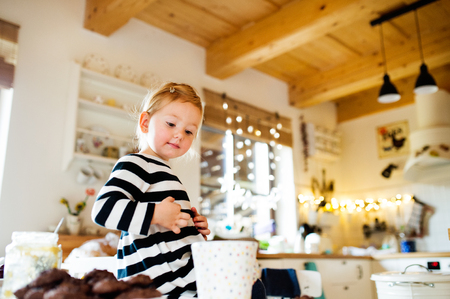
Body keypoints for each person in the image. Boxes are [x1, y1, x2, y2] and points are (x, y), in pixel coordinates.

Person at [91, 82, 210, 298]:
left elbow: (166, 228)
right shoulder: (137, 163)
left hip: (180, 277)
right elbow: (103, 210)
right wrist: (156, 214)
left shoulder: (164, 172)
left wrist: (192, 226)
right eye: (171, 123)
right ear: (145, 122)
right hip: (163, 283)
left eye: (189, 131)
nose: (179, 135)